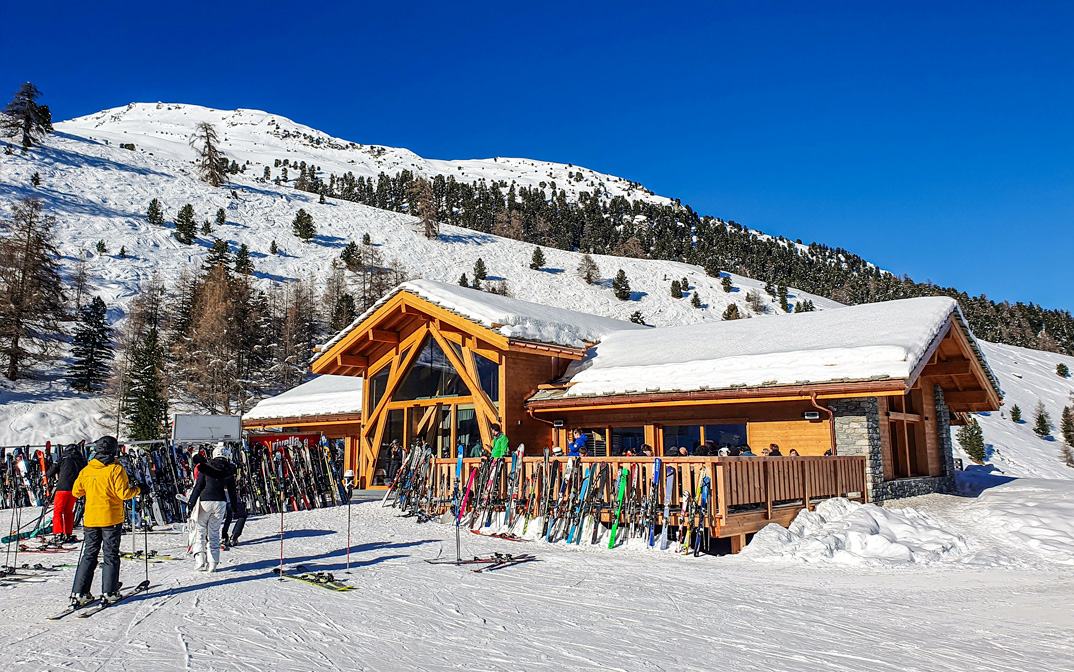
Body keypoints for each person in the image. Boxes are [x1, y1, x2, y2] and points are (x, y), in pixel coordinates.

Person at [70, 436, 142, 607]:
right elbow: (124, 493)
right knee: (110, 554)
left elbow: (76, 492)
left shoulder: (87, 469)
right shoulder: (116, 469)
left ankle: (80, 592)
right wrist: (138, 489)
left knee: (89, 554)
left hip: (91, 519)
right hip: (110, 518)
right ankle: (109, 591)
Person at [187, 443, 238, 572]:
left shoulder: (206, 468)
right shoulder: (228, 471)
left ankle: (200, 561)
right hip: (220, 502)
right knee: (214, 533)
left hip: (205, 501)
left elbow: (198, 487)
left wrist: (191, 503)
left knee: (200, 530)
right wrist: (234, 507)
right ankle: (213, 563)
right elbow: (232, 491)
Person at [47, 444, 87, 543]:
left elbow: (51, 472)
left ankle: (58, 533)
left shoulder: (63, 457)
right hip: (75, 489)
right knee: (68, 511)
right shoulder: (81, 459)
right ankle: (68, 533)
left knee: (58, 511)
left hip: (62, 488)